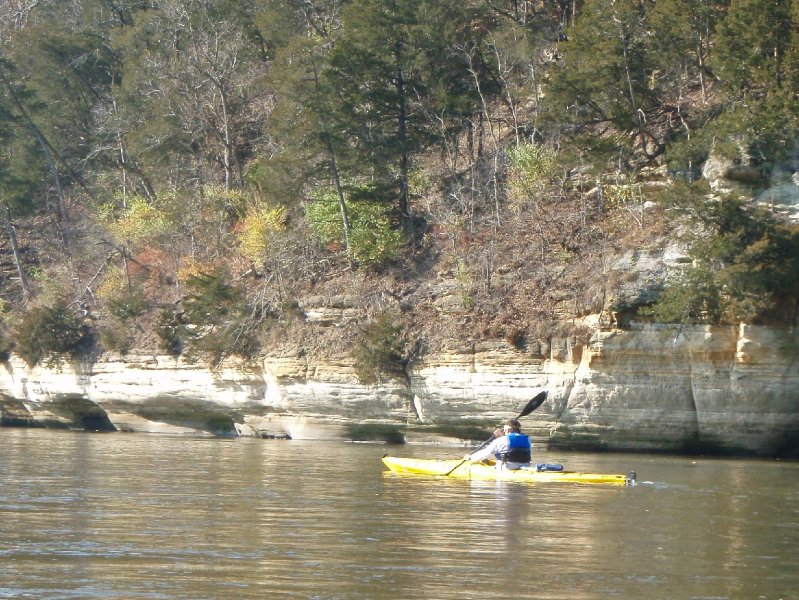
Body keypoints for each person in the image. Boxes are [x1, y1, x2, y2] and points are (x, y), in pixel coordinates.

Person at [465, 418, 532, 470]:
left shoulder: (502, 439)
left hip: (506, 469)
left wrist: (470, 458)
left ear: (509, 429)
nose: (503, 430)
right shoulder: (528, 438)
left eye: (504, 429)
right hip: (525, 466)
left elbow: (486, 453)